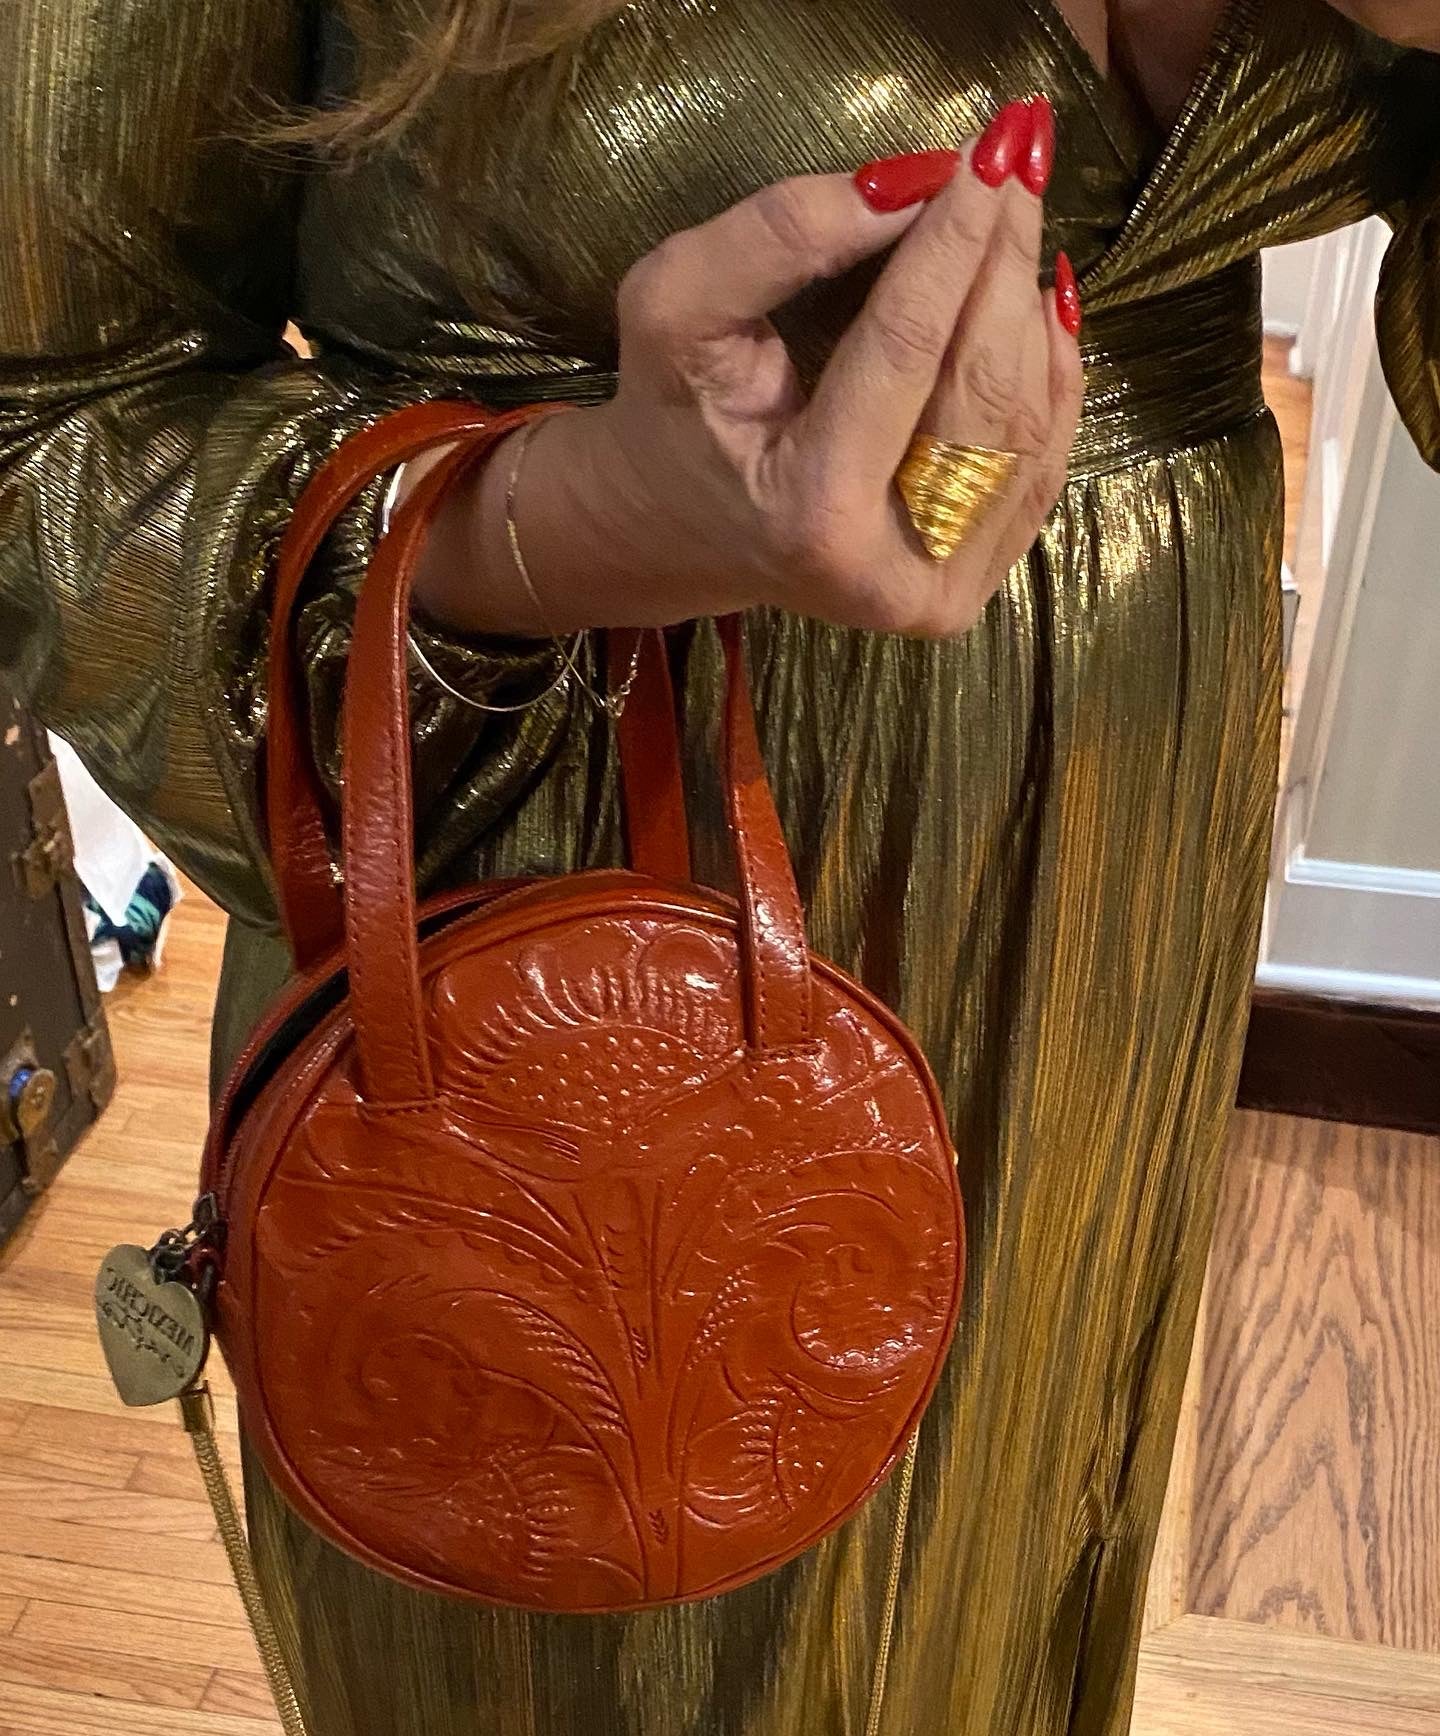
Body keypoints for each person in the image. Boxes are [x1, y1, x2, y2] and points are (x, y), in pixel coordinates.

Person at [2, 2, 1438, 1732]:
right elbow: (46, 424)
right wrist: (567, 525)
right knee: (591, 1597)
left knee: (1012, 1561)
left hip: (1120, 869)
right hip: (547, 883)